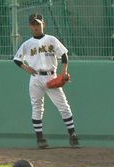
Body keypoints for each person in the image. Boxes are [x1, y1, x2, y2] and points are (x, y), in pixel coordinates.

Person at [13, 13, 79, 149]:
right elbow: (17, 59)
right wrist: (26, 68)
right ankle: (40, 139)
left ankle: (72, 134)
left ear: (43, 24)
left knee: (63, 106)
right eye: (33, 24)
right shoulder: (27, 44)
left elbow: (64, 54)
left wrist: (64, 70)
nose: (36, 26)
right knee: (37, 107)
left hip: (51, 77)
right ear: (30, 26)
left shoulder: (51, 39)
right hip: (35, 78)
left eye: (38, 23)